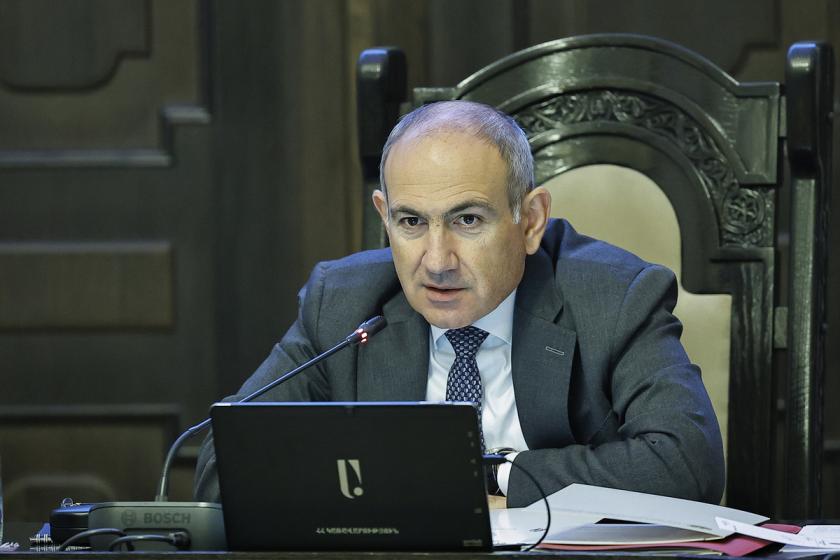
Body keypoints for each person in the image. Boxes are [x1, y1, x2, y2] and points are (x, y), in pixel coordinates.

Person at [194, 100, 725, 508]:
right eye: (411, 222)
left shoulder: (614, 297)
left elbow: (687, 465)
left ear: (530, 221)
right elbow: (227, 464)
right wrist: (414, 488)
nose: (437, 261)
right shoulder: (342, 302)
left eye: (468, 220)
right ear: (384, 217)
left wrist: (492, 474)